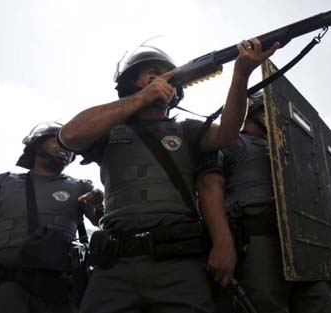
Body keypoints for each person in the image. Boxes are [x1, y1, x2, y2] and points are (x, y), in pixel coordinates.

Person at [59, 38, 278, 313]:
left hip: (178, 262)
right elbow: (68, 135)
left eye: (166, 72)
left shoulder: (187, 129)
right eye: (151, 71)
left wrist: (241, 73)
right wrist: (141, 98)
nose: (162, 76)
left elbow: (228, 133)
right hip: (114, 265)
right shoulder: (108, 130)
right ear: (129, 82)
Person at [205, 93, 331, 313]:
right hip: (257, 238)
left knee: (320, 304)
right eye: (266, 111)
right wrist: (221, 240)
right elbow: (211, 186)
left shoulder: (289, 150)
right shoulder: (231, 143)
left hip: (302, 242)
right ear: (252, 113)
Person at [0, 122, 103, 313]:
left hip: (55, 290)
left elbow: (101, 221)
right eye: (57, 141)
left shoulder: (81, 188)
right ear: (36, 144)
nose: (65, 148)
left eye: (70, 147)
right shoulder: (0, 183)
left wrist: (97, 206)